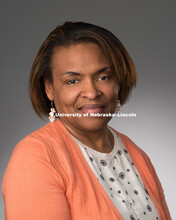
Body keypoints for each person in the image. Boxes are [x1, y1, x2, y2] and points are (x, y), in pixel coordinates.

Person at [2, 21, 171, 220]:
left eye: (103, 77)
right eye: (73, 81)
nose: (91, 93)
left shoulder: (137, 155)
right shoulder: (35, 157)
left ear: (118, 81)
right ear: (49, 88)